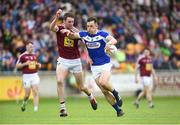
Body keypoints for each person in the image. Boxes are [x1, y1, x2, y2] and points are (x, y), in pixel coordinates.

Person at [66, 17, 124, 117]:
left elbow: (114, 40)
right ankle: (118, 110)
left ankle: (116, 93)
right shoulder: (84, 35)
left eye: (91, 26)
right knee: (104, 91)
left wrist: (109, 43)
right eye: (88, 26)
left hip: (105, 64)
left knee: (103, 82)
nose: (89, 28)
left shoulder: (102, 34)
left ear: (96, 26)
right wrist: (65, 30)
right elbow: (72, 36)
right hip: (94, 67)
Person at [50, 9, 97, 117]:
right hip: (63, 60)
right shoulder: (60, 28)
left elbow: (86, 43)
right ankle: (63, 108)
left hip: (76, 61)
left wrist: (89, 56)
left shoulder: (76, 31)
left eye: (72, 22)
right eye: (69, 22)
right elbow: (51, 28)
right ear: (64, 21)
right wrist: (56, 18)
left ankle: (90, 96)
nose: (71, 24)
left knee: (81, 86)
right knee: (59, 81)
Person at [16, 41, 41, 112]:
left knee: (35, 92)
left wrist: (38, 65)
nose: (32, 48)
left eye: (32, 47)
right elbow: (17, 66)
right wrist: (25, 64)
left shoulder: (34, 55)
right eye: (30, 47)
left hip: (34, 75)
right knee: (27, 95)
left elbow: (35, 65)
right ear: (26, 47)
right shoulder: (22, 56)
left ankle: (35, 109)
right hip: (26, 76)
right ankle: (24, 103)